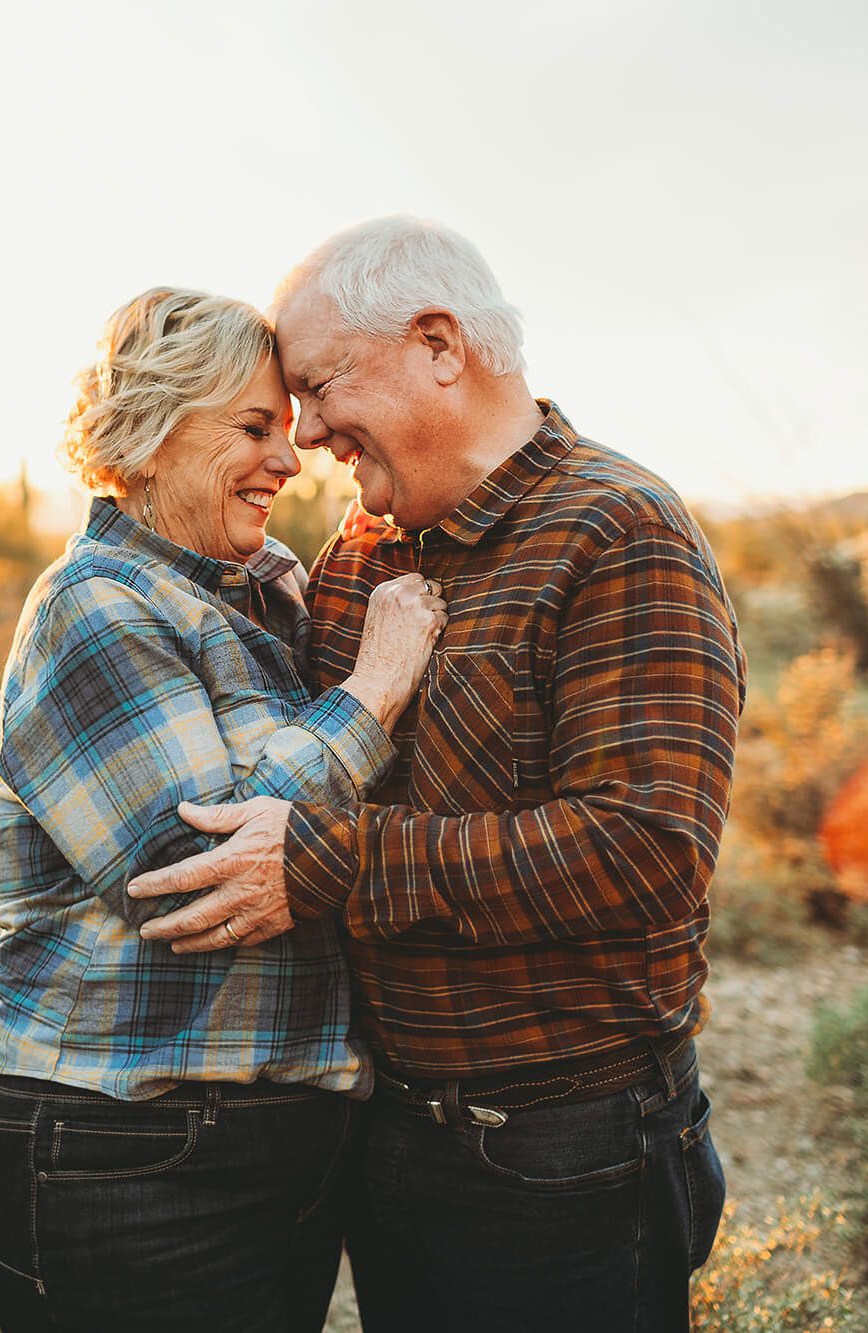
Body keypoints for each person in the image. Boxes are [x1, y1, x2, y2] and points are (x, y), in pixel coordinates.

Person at [131, 218, 747, 1330]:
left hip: (563, 1152)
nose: (307, 432)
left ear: (437, 346)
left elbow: (641, 849)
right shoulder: (357, 559)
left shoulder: (618, 532)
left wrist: (329, 863)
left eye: (318, 387)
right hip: (385, 1132)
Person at [0, 287, 447, 1332]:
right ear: (146, 431)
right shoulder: (93, 606)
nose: (290, 457)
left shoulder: (265, 591)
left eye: (289, 426)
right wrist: (372, 688)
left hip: (283, 1139)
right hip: (121, 1149)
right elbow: (190, 875)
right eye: (252, 427)